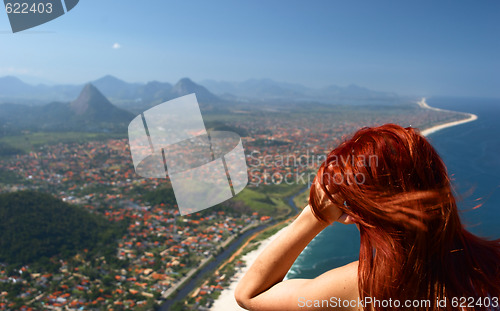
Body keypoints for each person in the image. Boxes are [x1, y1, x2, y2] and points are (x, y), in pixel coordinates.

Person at [235, 124, 500, 311]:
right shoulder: (492, 266)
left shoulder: (364, 289)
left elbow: (251, 294)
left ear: (365, 210)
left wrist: (316, 214)